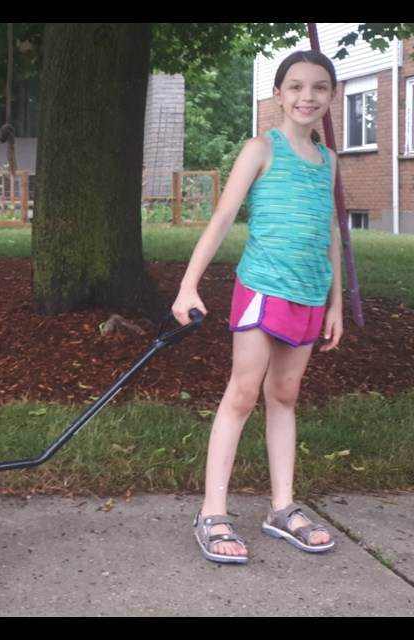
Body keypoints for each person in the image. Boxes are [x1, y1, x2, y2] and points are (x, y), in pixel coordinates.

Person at [171, 50, 344, 564]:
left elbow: (329, 232)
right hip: (264, 288)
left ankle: (282, 507)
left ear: (332, 98)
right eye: (295, 86)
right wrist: (188, 286)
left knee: (285, 394)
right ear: (278, 95)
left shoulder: (330, 160)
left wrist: (336, 301)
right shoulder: (259, 149)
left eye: (318, 88)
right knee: (244, 393)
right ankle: (212, 512)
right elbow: (223, 218)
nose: (306, 97)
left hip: (311, 292)